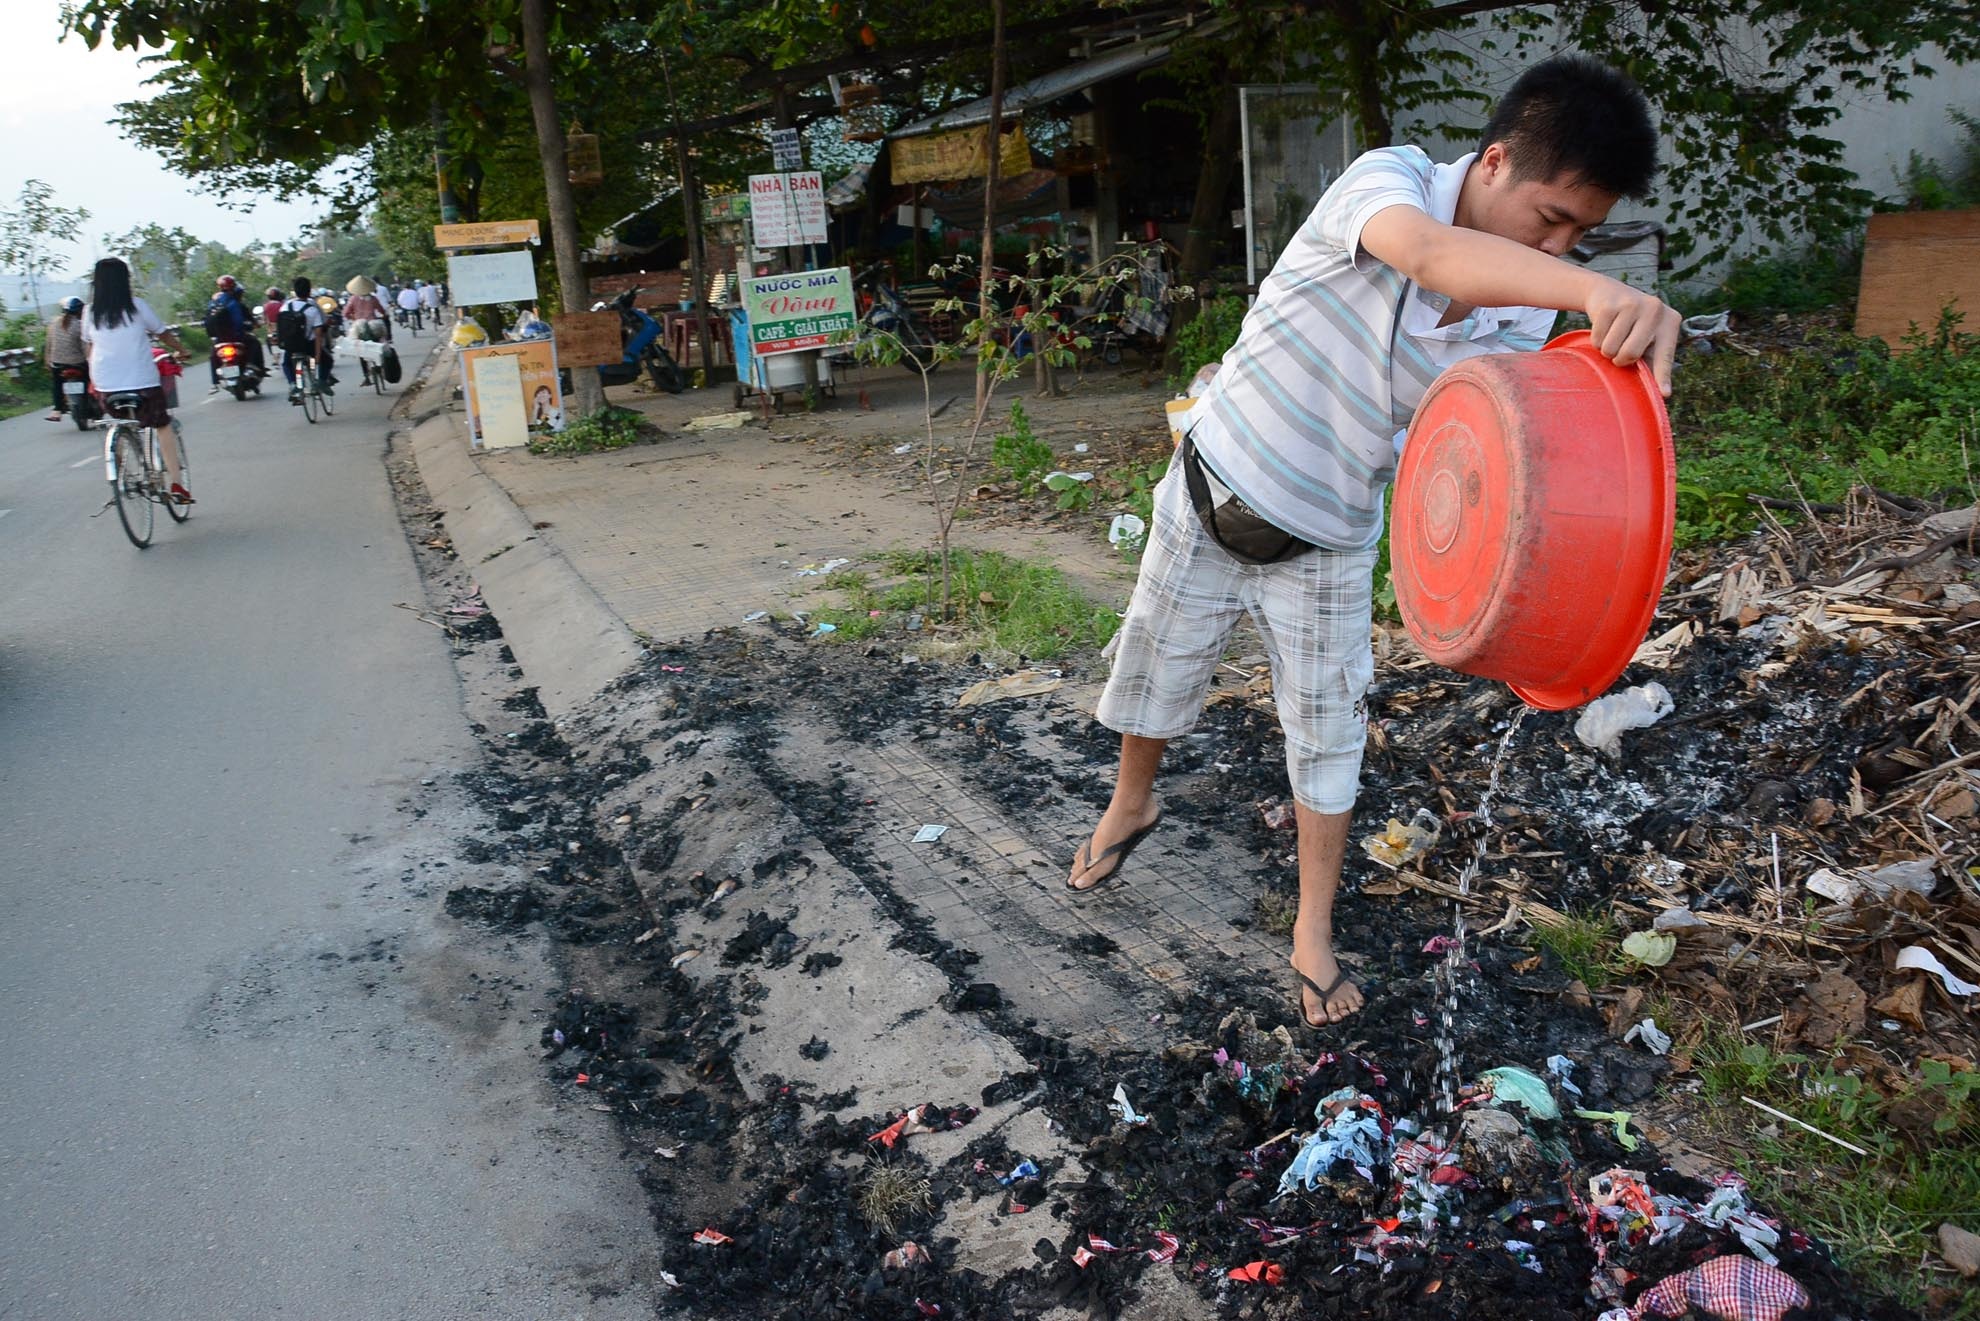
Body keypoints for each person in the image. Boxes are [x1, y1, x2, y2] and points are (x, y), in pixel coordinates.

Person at [1064, 55, 1680, 1031]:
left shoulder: (1526, 311)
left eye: (1582, 236)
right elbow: (1431, 257)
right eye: (1552, 218)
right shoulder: (1386, 183)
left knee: (1328, 738)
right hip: (1212, 483)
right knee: (1158, 667)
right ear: (1492, 163)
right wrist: (1590, 292)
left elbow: (1482, 451)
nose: (1564, 248)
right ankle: (1131, 802)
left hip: (1329, 538)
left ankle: (1311, 931)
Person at [80, 257, 192, 504]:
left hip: (105, 383)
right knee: (161, 425)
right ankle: (176, 484)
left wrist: (93, 377)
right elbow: (162, 333)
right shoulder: (137, 306)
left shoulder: (89, 313)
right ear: (125, 281)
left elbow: (90, 348)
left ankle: (123, 478)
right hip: (142, 382)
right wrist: (182, 350)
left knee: (117, 422)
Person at [275, 276, 336, 401]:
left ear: (295, 291)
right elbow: (318, 335)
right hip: (308, 345)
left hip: (291, 346)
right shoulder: (312, 308)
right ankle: (322, 382)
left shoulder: (286, 306)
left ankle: (292, 383)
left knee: (286, 363)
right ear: (309, 291)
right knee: (328, 360)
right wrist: (318, 359)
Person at [204, 274, 266, 390]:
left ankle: (214, 382)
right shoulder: (234, 303)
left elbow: (207, 321)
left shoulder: (214, 302)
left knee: (213, 355)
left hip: (220, 339)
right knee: (255, 343)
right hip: (237, 337)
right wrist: (246, 328)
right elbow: (238, 322)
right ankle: (252, 365)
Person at [43, 296, 86, 421]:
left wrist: (48, 361)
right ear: (80, 311)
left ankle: (57, 410)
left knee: (57, 384)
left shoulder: (54, 324)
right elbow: (85, 347)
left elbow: (49, 344)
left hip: (57, 363)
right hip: (78, 363)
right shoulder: (80, 325)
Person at [343, 275, 390, 385]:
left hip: (360, 328)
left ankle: (366, 376)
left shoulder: (353, 299)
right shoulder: (373, 298)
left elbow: (345, 313)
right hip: (374, 326)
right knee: (380, 343)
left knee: (360, 351)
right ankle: (380, 366)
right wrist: (384, 316)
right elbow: (382, 311)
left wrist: (354, 318)